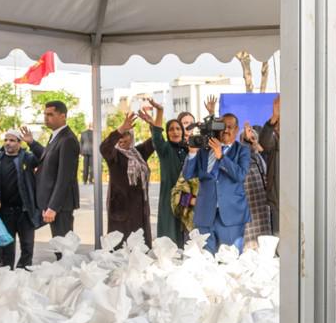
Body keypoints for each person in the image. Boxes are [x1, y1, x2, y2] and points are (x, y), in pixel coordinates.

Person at [183, 112, 251, 251]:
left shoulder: (242, 150)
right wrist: (192, 152)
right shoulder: (204, 150)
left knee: (230, 260)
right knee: (206, 259)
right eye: (222, 126)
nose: (225, 130)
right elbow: (188, 175)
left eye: (230, 127)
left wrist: (221, 156)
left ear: (236, 130)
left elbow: (240, 175)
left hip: (231, 217)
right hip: (205, 216)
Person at [0, 128, 43, 269]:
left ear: (19, 143)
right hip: (5, 211)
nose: (8, 143)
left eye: (12, 140)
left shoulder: (27, 158)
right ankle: (8, 275)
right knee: (7, 248)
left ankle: (23, 273)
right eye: (6, 140)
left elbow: (43, 156)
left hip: (25, 211)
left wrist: (32, 142)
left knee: (27, 246)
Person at [101, 112, 156, 248]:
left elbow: (155, 141)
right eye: (120, 135)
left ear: (131, 137)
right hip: (121, 210)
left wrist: (152, 124)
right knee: (121, 249)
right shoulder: (114, 155)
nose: (121, 139)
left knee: (140, 249)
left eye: (126, 135)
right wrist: (120, 129)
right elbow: (104, 148)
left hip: (139, 209)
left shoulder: (138, 153)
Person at [140, 100, 189, 247]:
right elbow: (156, 135)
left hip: (186, 196)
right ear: (167, 133)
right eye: (171, 129)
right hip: (169, 197)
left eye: (178, 129)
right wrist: (160, 111)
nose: (175, 132)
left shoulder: (188, 149)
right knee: (170, 232)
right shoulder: (165, 149)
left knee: (185, 229)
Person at [35, 99, 81, 244]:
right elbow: (49, 160)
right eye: (45, 114)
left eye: (50, 114)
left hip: (61, 205)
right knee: (59, 247)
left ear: (63, 116)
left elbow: (64, 178)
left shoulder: (67, 139)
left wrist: (53, 207)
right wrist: (31, 143)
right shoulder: (56, 136)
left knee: (64, 248)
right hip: (53, 202)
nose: (46, 118)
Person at [241, 120, 272, 249]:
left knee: (264, 244)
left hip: (262, 206)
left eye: (254, 139)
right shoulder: (242, 157)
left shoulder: (259, 157)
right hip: (248, 206)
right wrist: (247, 141)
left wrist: (254, 142)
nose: (252, 142)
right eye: (249, 140)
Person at [258, 96, 280, 234]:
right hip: (278, 200)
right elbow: (264, 143)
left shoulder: (304, 140)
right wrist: (274, 118)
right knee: (279, 238)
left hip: (300, 198)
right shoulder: (275, 140)